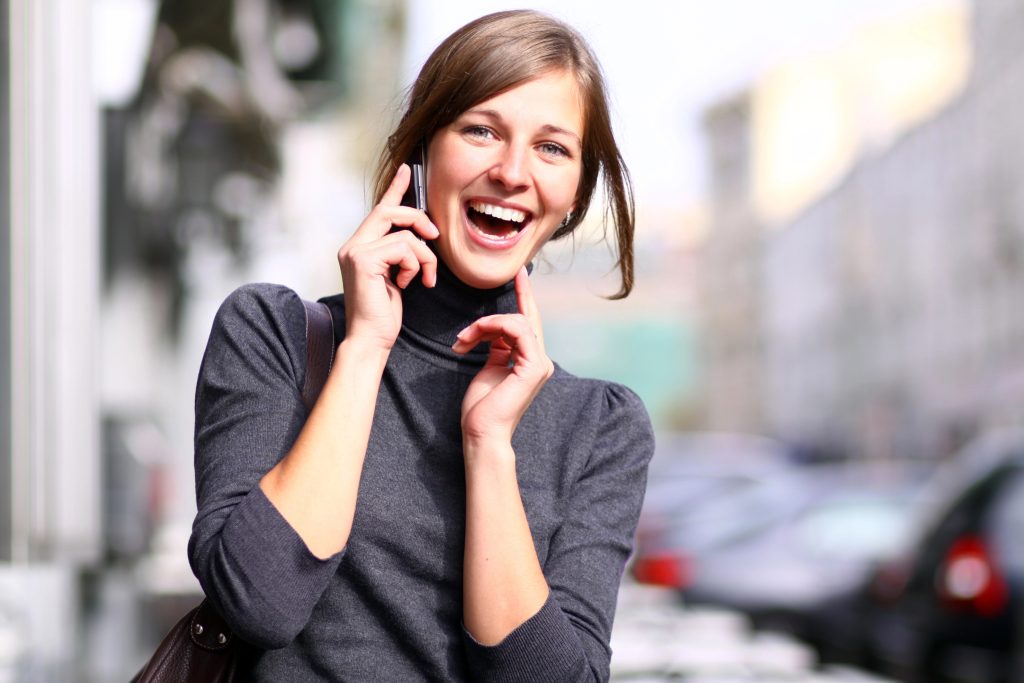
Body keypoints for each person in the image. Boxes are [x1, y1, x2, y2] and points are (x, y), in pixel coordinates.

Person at [188, 9, 654, 681]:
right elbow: (260, 602)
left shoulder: (600, 425)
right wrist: (366, 347)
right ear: (420, 151)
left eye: (552, 147)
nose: (513, 171)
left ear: (576, 195)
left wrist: (490, 447)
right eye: (481, 130)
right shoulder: (275, 335)